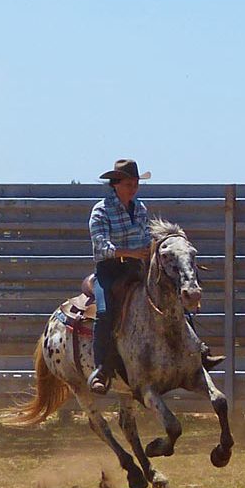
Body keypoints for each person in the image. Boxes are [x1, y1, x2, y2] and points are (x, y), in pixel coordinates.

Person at [87, 159, 154, 395]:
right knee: (104, 313)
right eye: (128, 183)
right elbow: (101, 246)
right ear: (115, 184)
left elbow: (147, 236)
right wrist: (130, 252)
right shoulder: (101, 210)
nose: (133, 188)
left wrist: (149, 251)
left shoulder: (141, 209)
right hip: (110, 270)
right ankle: (101, 369)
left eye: (136, 183)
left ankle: (194, 351)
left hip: (137, 269)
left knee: (168, 293)